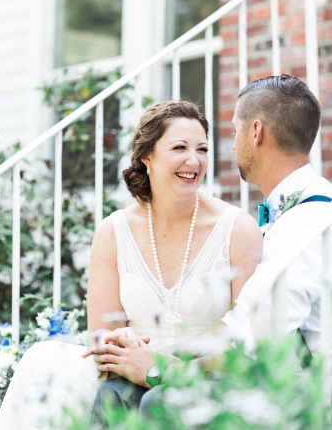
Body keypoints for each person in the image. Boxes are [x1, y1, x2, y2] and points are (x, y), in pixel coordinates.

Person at [0, 100, 262, 429]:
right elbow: (102, 331)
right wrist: (118, 348)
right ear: (147, 156)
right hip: (125, 369)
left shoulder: (238, 228)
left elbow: (246, 329)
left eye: (202, 149)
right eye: (180, 147)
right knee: (41, 361)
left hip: (202, 370)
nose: (194, 160)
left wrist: (156, 360)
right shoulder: (113, 231)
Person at [91, 74, 332, 424]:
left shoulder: (305, 225)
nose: (231, 146)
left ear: (256, 132)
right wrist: (148, 355)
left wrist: (159, 370)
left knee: (159, 399)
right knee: (117, 392)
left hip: (306, 403)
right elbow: (238, 323)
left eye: (234, 131)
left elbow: (256, 354)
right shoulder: (299, 216)